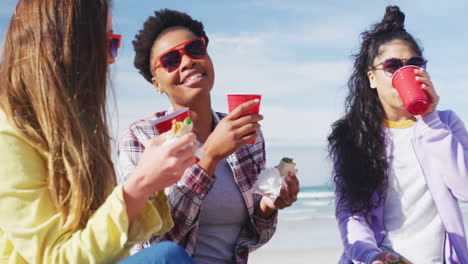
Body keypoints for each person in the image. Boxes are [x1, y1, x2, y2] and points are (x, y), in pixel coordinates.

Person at [0, 0, 197, 263]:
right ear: (68, 47)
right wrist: (140, 184)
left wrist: (152, 182)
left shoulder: (76, 128)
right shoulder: (9, 133)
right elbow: (55, 258)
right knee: (167, 257)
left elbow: (108, 246)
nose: (113, 58)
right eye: (108, 43)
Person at [117, 9, 300, 263]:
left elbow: (252, 239)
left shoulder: (245, 134)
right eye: (170, 60)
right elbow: (154, 242)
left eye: (194, 49)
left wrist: (270, 205)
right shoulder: (141, 137)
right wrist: (210, 156)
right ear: (156, 83)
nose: (187, 62)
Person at [328, 5, 468, 264]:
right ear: (372, 77)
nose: (405, 72)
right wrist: (371, 256)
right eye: (392, 66)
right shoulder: (352, 136)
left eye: (414, 64)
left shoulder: (445, 123)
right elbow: (350, 214)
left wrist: (429, 119)